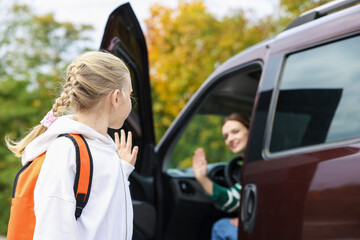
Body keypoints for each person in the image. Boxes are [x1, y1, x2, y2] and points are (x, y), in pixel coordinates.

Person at [6, 51, 138, 239]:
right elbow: (53, 231)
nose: (131, 103)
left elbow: (100, 211)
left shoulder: (101, 147)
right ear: (116, 98)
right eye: (130, 95)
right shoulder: (66, 151)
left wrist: (121, 170)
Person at [192, 113, 250, 240]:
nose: (229, 139)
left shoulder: (253, 162)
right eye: (226, 136)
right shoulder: (254, 159)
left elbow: (231, 201)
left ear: (250, 130)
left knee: (221, 227)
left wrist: (202, 179)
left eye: (235, 132)